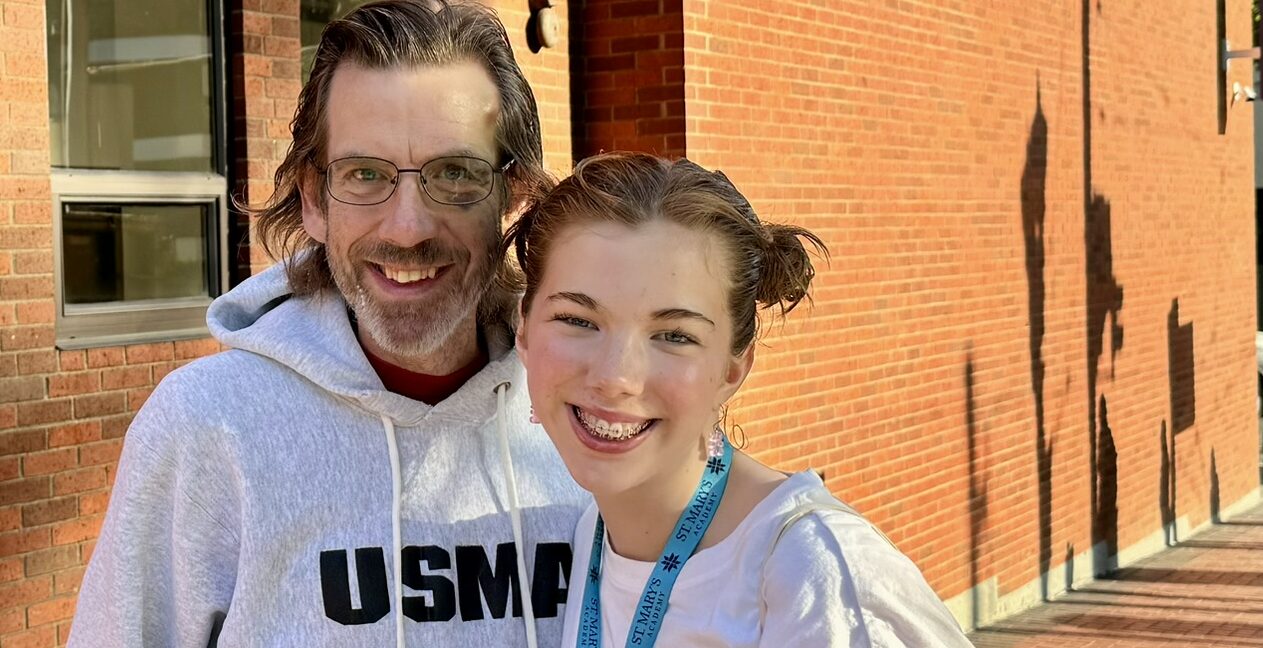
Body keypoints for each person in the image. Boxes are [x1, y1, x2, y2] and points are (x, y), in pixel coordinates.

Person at [68, 2, 586, 647]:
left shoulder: (589, 411)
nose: (408, 228)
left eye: (455, 174)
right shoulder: (208, 426)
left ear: (512, 195)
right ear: (312, 198)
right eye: (364, 175)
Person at [508, 152, 973, 647]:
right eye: (578, 321)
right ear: (525, 332)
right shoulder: (591, 536)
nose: (616, 377)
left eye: (674, 335)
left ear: (733, 368)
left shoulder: (816, 579)